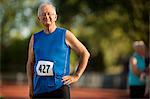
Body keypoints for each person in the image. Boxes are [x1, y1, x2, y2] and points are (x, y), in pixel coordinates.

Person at [26, 2, 90, 99]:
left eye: (49, 14)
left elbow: (85, 53)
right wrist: (31, 87)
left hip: (60, 88)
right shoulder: (35, 38)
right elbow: (30, 63)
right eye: (43, 14)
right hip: (39, 89)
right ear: (39, 18)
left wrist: (76, 75)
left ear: (55, 17)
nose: (46, 16)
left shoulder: (65, 34)